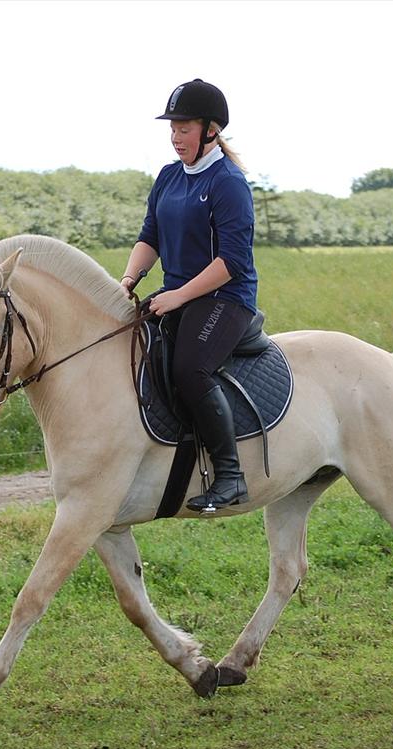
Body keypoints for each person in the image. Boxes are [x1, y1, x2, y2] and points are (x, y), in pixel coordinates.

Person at [120, 78, 258, 513]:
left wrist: (178, 296)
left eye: (185, 128)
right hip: (176, 293)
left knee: (190, 368)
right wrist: (126, 281)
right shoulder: (168, 177)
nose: (176, 137)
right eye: (173, 128)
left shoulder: (228, 182)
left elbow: (232, 261)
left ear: (211, 130)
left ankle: (231, 475)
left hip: (225, 298)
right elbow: (150, 238)